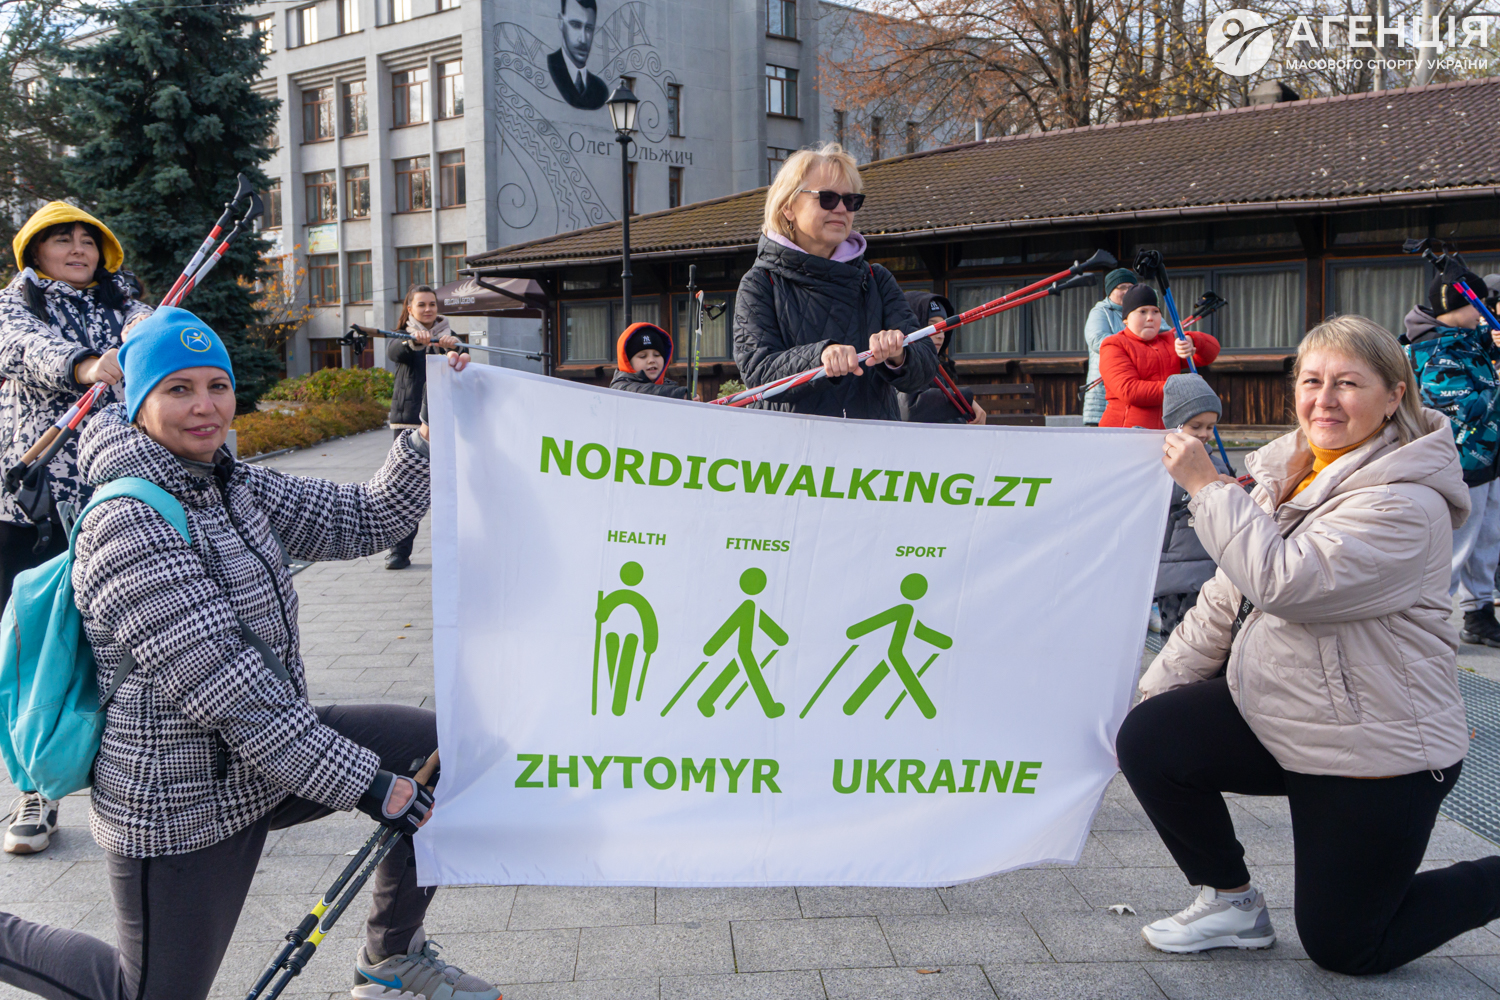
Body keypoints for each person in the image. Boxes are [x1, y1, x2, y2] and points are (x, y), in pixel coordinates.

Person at [0, 306, 500, 1000]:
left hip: (263, 765)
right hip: (180, 800)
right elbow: (230, 691)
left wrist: (425, 438)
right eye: (178, 389)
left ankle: (391, 959)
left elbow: (365, 517)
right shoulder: (127, 520)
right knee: (145, 993)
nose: (204, 406)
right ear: (137, 402)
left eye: (218, 386)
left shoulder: (231, 484)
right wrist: (369, 784)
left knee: (439, 752)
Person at [1120, 315, 1500, 974]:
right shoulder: (1289, 468)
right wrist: (1159, 690)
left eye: (1348, 383)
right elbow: (1227, 596)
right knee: (1151, 737)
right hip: (1288, 710)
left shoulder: (1406, 501)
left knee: (1347, 947)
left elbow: (1285, 583)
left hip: (1375, 747)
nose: (1324, 400)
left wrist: (1206, 489)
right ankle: (1231, 902)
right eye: (1311, 381)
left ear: (1394, 396)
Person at [0, 202, 152, 856]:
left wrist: (146, 337)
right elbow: (22, 348)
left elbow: (154, 333)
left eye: (88, 238)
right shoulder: (16, 305)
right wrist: (87, 364)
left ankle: (140, 775)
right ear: (34, 251)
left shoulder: (126, 303)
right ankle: (37, 786)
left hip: (114, 499)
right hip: (34, 508)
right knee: (39, 649)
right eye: (62, 238)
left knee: (124, 640)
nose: (78, 247)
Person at [733, 143, 937, 420]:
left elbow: (926, 366)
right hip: (794, 444)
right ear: (787, 207)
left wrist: (899, 355)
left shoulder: (876, 279)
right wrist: (820, 357)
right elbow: (758, 373)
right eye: (827, 198)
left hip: (870, 443)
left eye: (850, 200)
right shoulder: (760, 283)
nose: (841, 209)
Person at [1403, 266, 1500, 647]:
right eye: (1479, 305)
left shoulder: (1467, 337)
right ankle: (1433, 625)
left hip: (1488, 458)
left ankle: (1479, 614)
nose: (1483, 314)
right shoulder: (1432, 349)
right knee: (1455, 547)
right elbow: (1466, 408)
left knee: (1488, 540)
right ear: (1457, 305)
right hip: (1457, 461)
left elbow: (1486, 347)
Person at [385, 284, 463, 571]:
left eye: (432, 304)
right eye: (421, 304)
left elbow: (465, 361)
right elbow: (395, 353)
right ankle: (399, 552)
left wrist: (455, 348)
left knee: (448, 488)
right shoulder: (403, 335)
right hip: (409, 421)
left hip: (444, 420)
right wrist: (415, 342)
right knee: (406, 489)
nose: (428, 309)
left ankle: (452, 551)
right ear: (410, 309)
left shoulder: (450, 335)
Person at [1154, 373, 1233, 636]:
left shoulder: (1214, 460)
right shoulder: (1165, 461)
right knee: (1177, 635)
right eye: (1195, 426)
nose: (1204, 434)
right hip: (1176, 569)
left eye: (1210, 427)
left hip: (1208, 564)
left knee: (1207, 631)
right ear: (1174, 425)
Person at [1098, 284, 1218, 429]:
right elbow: (1129, 391)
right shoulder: (1114, 344)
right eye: (1142, 311)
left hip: (1165, 432)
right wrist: (1181, 387)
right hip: (1125, 432)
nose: (1150, 318)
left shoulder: (1168, 341)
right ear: (1126, 319)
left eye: (1155, 311)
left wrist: (1192, 340)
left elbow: (1210, 353)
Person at [896, 291, 986, 425]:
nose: (940, 335)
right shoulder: (897, 364)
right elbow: (909, 408)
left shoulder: (935, 368)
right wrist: (964, 399)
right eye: (931, 326)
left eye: (943, 327)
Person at [1083, 268, 1138, 425]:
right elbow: (1097, 340)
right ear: (1110, 291)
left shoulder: (1144, 311)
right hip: (1103, 388)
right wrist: (1134, 346)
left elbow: (1165, 334)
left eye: (1131, 288)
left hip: (1134, 389)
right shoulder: (1100, 312)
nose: (1127, 292)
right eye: (1122, 287)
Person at [547, 0, 607, 110]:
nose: (583, 39)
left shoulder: (600, 89)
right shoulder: (548, 67)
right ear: (561, 22)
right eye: (575, 25)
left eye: (589, 28)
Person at [611, 321, 689, 398]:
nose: (651, 360)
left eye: (657, 355)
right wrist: (682, 394)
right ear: (628, 362)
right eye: (643, 356)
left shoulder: (671, 387)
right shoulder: (620, 388)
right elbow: (643, 391)